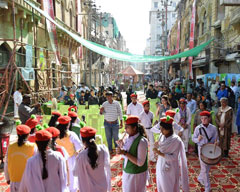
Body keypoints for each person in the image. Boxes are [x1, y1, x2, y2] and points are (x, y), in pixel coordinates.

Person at [153, 116, 189, 192]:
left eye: (163, 129)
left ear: (169, 129)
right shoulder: (161, 136)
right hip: (160, 164)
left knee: (168, 187)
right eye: (160, 128)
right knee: (161, 185)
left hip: (170, 167)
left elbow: (174, 157)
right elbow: (161, 146)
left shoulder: (176, 140)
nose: (161, 130)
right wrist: (158, 146)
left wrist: (160, 153)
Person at [116, 116, 148, 192]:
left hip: (136, 175)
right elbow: (128, 153)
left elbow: (140, 163)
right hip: (127, 171)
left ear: (134, 128)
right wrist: (122, 146)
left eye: (127, 127)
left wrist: (124, 152)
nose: (125, 129)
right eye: (125, 127)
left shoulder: (142, 141)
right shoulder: (128, 138)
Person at [74, 126, 111, 192]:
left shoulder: (81, 156)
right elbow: (107, 165)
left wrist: (77, 158)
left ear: (82, 141)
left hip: (88, 189)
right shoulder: (103, 149)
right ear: (94, 138)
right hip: (102, 187)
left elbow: (75, 173)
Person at [4, 122, 36, 192]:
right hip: (28, 181)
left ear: (17, 134)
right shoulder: (33, 147)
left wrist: (7, 178)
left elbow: (7, 163)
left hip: (14, 180)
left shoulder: (10, 147)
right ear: (28, 135)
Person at [192, 111, 218, 192]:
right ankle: (207, 187)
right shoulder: (198, 128)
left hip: (210, 149)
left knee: (207, 167)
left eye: (205, 118)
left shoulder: (213, 128)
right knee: (204, 168)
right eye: (202, 118)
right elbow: (193, 139)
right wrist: (197, 139)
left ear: (209, 119)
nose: (203, 120)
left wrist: (217, 142)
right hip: (201, 149)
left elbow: (216, 139)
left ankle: (200, 178)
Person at [56, 115, 83, 192]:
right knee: (71, 179)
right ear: (68, 124)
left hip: (58, 159)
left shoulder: (56, 134)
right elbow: (80, 147)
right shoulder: (71, 134)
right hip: (70, 159)